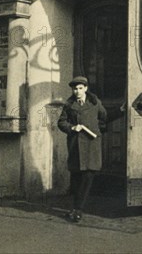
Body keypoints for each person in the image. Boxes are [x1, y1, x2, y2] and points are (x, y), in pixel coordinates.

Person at [58, 76, 111, 223]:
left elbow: (104, 117)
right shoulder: (69, 105)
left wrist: (97, 130)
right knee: (76, 177)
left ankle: (78, 209)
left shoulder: (95, 103)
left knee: (88, 175)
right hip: (76, 144)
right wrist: (72, 127)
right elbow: (61, 122)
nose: (77, 91)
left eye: (80, 88)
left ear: (86, 88)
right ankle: (76, 206)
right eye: (75, 88)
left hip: (91, 145)